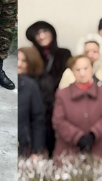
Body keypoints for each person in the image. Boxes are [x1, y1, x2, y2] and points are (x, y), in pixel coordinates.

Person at [52, 55, 102, 157]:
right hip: (69, 151)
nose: (82, 73)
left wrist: (94, 134)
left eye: (86, 68)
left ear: (92, 69)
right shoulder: (62, 94)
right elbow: (58, 121)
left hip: (99, 149)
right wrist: (77, 137)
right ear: (72, 72)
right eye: (77, 70)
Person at [25, 21, 72, 156]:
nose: (42, 36)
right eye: (37, 34)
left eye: (45, 31)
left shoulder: (64, 54)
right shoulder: (32, 56)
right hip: (37, 105)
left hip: (58, 103)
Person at [18, 46, 46, 157]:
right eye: (18, 60)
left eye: (24, 61)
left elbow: (38, 120)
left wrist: (36, 150)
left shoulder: (32, 86)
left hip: (24, 145)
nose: (19, 64)